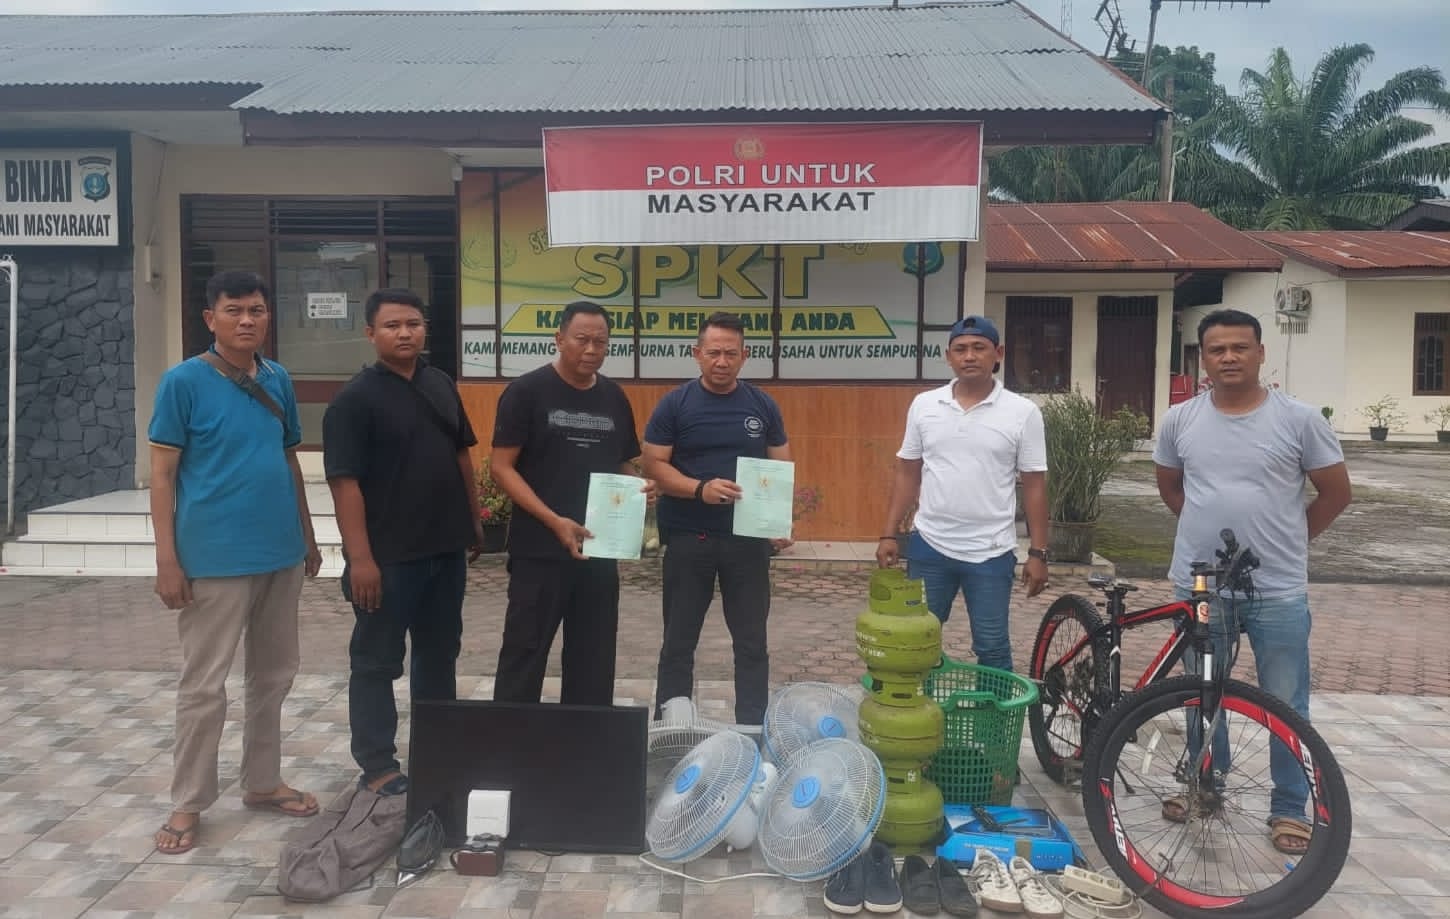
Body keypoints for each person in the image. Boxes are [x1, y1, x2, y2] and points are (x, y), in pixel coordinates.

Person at [1154, 308, 1351, 856]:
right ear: (1203, 359)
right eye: (1217, 350)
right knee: (1201, 693)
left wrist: (1291, 539)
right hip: (1201, 586)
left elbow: (1336, 493)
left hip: (1277, 589)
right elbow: (1171, 486)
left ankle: (1289, 808)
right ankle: (1203, 786)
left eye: (1240, 348)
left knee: (1286, 702)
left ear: (1261, 353)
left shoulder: (1299, 419)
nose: (1229, 358)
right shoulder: (1180, 420)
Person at [148, 269, 323, 855]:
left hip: (280, 553)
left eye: (256, 310)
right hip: (213, 558)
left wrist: (308, 536)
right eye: (234, 310)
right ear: (210, 318)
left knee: (274, 676)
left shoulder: (278, 378)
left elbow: (289, 460)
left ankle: (263, 782)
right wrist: (167, 560)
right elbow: (162, 476)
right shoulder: (183, 382)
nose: (247, 320)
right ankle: (187, 801)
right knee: (204, 686)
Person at [322, 288, 483, 796]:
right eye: (392, 326)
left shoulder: (440, 383)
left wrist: (473, 518)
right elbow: (344, 484)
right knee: (376, 662)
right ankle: (377, 766)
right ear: (370, 333)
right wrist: (360, 559)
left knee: (439, 655)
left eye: (413, 323)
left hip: (444, 552)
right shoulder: (353, 401)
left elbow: (461, 454)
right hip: (388, 561)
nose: (405, 333)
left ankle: (437, 752)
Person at [491, 300, 651, 707]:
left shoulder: (614, 397)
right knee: (524, 655)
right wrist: (554, 520)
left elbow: (621, 462)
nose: (592, 349)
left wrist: (638, 487)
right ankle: (508, 740)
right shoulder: (526, 392)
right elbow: (502, 468)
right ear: (559, 339)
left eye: (601, 342)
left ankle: (584, 738)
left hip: (599, 549)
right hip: (539, 551)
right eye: (582, 339)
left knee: (593, 659)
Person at [876, 315, 1049, 672]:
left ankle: (993, 710)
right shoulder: (925, 405)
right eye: (961, 349)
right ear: (948, 356)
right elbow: (908, 472)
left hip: (991, 551)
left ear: (998, 353)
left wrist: (1038, 552)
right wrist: (888, 534)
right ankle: (918, 707)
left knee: (992, 646)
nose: (969, 356)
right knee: (917, 640)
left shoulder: (1022, 412)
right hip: (930, 546)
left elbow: (1034, 485)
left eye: (979, 348)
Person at [643, 311, 791, 725]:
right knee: (678, 642)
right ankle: (671, 729)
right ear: (697, 354)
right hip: (689, 539)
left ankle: (752, 727)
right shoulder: (676, 404)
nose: (722, 361)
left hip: (748, 542)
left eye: (730, 353)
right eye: (713, 353)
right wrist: (699, 489)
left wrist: (779, 520)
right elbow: (653, 465)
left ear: (745, 355)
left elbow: (780, 466)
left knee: (752, 643)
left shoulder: (763, 406)